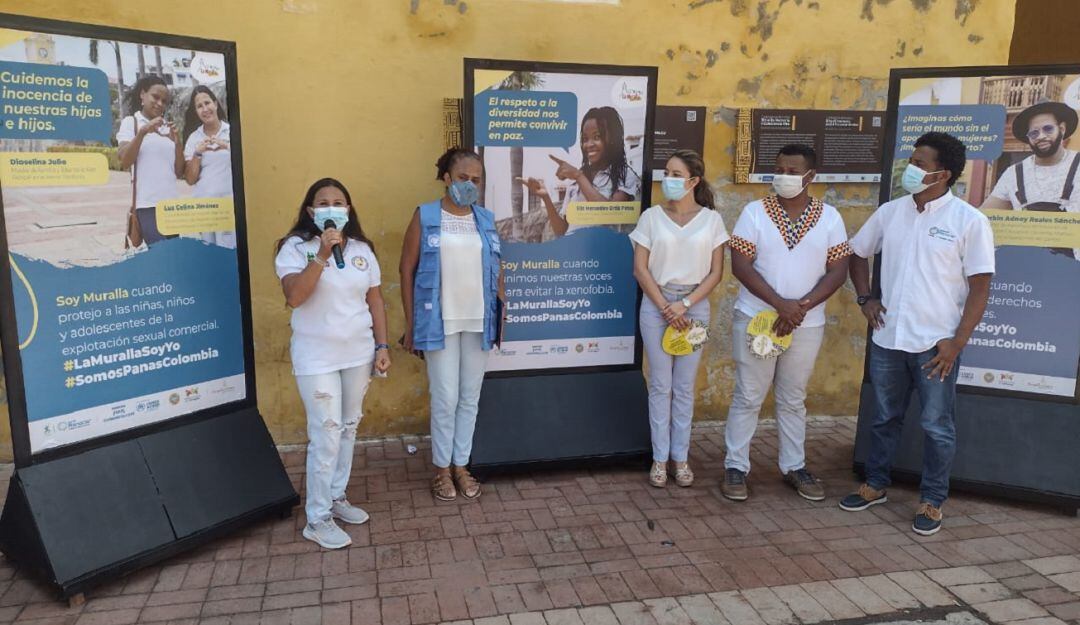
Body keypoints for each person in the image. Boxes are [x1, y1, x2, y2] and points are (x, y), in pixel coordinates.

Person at [842, 132, 994, 536]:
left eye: (920, 163)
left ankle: (932, 500)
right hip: (888, 339)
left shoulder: (969, 221)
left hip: (936, 346)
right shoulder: (891, 212)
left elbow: (980, 287)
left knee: (936, 425)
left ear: (943, 174)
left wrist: (956, 342)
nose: (909, 168)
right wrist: (865, 299)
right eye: (911, 160)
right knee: (884, 418)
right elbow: (856, 253)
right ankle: (875, 485)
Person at [721, 144, 851, 503]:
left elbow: (838, 270)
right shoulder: (754, 213)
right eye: (779, 169)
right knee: (749, 395)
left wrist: (800, 309)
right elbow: (741, 265)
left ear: (811, 177)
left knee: (793, 398)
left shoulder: (830, 218)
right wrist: (781, 305)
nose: (784, 177)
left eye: (793, 171)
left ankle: (794, 465)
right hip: (756, 318)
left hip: (806, 324)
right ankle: (736, 466)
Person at [274, 178, 391, 549]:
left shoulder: (361, 250)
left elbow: (375, 301)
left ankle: (336, 497)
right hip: (316, 356)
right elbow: (295, 297)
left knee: (348, 427)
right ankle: (317, 517)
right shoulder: (294, 248)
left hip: (357, 353)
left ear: (348, 210)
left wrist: (382, 345)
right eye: (323, 202)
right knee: (325, 432)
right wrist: (322, 255)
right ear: (311, 212)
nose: (331, 207)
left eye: (338, 201)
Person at [400, 147, 503, 502]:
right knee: (445, 397)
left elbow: (497, 267)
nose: (470, 185)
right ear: (446, 178)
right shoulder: (426, 216)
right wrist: (411, 325)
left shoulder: (486, 219)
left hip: (478, 320)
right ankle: (441, 469)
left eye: (476, 180)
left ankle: (461, 465)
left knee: (469, 398)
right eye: (463, 178)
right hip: (437, 322)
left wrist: (502, 314)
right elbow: (406, 269)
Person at [629, 149, 728, 488]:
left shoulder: (712, 220)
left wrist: (684, 305)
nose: (667, 180)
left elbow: (716, 273)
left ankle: (680, 458)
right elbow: (640, 268)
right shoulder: (651, 217)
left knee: (684, 387)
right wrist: (665, 306)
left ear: (693, 181)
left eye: (675, 174)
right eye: (666, 173)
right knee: (660, 384)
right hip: (657, 304)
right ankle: (659, 459)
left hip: (694, 306)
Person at [519, 106, 641, 238]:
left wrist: (578, 176)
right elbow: (562, 231)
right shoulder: (576, 182)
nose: (589, 144)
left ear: (612, 139)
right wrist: (545, 198)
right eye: (585, 139)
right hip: (576, 255)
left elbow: (610, 215)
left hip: (605, 255)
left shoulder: (626, 176)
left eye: (597, 137)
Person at [982, 99, 1080, 257]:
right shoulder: (1013, 173)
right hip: (1028, 269)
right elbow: (983, 218)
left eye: (1048, 129)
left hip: (1074, 270)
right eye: (1034, 133)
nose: (1041, 136)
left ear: (1061, 129)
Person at [117, 75, 184, 247]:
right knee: (161, 257)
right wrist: (143, 132)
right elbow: (125, 161)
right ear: (142, 94)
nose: (160, 103)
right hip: (147, 205)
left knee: (172, 258)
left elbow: (178, 172)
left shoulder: (166, 127)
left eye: (164, 101)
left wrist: (177, 143)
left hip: (170, 206)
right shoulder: (131, 122)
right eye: (155, 97)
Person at [182, 86, 235, 249]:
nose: (205, 109)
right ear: (196, 112)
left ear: (216, 104)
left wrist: (226, 146)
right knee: (209, 255)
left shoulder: (232, 131)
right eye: (199, 106)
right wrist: (197, 154)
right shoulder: (194, 138)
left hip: (229, 207)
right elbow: (190, 180)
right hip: (205, 210)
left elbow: (246, 163)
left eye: (207, 103)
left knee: (229, 253)